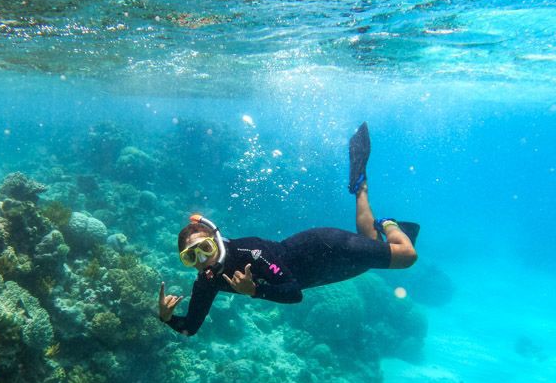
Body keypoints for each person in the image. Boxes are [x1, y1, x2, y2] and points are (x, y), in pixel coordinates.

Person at [158, 122, 418, 336]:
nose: (202, 260)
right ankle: (360, 185)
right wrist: (166, 317)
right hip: (321, 275)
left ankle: (389, 223)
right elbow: (190, 328)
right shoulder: (206, 282)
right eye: (191, 257)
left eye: (204, 248)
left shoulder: (251, 252)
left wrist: (255, 290)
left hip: (325, 246)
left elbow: (294, 293)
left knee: (406, 256)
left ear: (216, 240)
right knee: (369, 248)